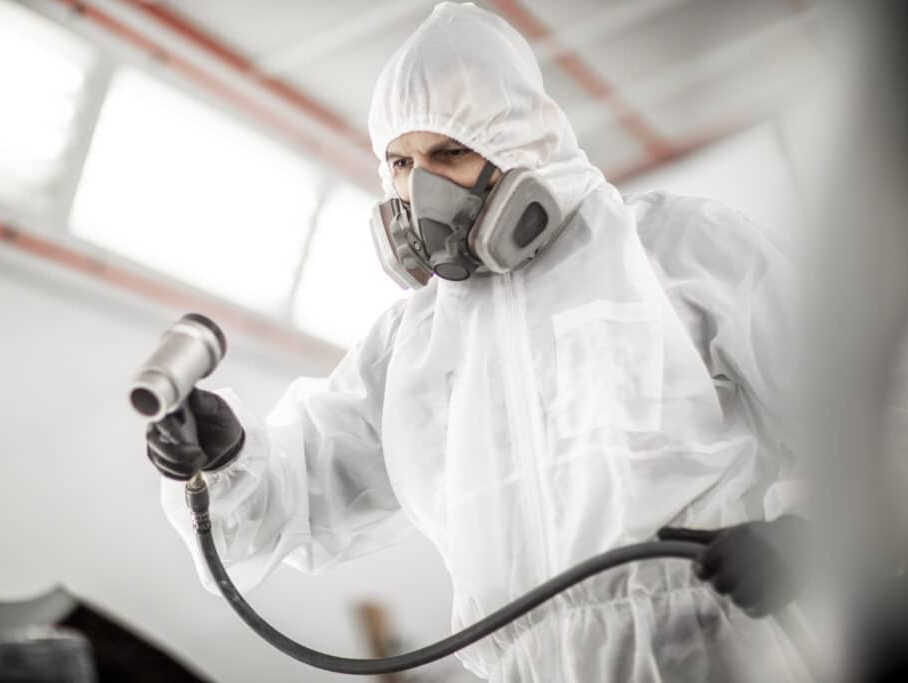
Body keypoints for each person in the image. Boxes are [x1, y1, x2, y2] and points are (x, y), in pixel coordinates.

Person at [146, 3, 808, 680]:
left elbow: (870, 407)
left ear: (522, 152)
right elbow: (299, 494)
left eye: (449, 154)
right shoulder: (413, 341)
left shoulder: (676, 250)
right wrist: (229, 456)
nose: (417, 188)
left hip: (713, 655)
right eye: (400, 162)